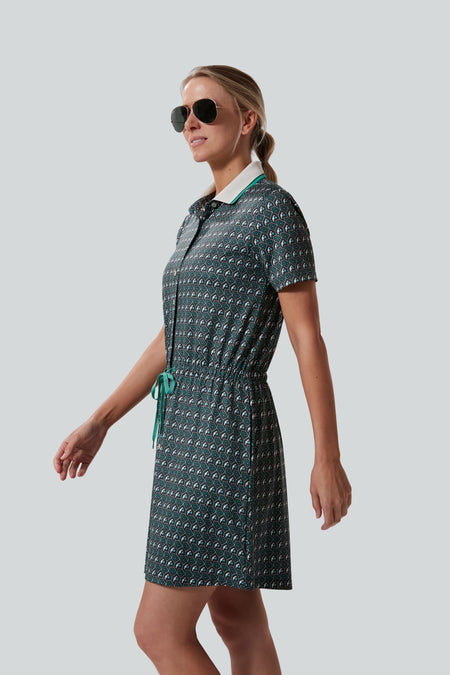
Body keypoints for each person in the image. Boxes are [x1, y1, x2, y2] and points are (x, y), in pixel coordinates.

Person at [53, 64, 352, 675]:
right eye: (182, 114)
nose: (191, 122)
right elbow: (175, 336)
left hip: (226, 431)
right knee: (237, 618)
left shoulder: (272, 210)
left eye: (206, 110)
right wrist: (100, 421)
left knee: (157, 631)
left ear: (247, 120)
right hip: (185, 427)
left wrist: (327, 456)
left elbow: (308, 339)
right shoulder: (198, 215)